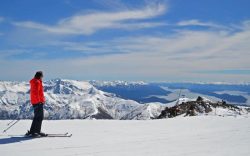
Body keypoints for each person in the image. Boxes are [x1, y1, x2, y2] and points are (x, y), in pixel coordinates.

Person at [25, 71, 47, 137]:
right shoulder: (37, 82)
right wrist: (39, 101)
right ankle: (36, 132)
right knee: (40, 117)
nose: (42, 77)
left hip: (36, 102)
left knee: (36, 117)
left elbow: (36, 93)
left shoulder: (34, 81)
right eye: (42, 76)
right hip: (38, 102)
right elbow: (36, 93)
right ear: (40, 76)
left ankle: (33, 131)